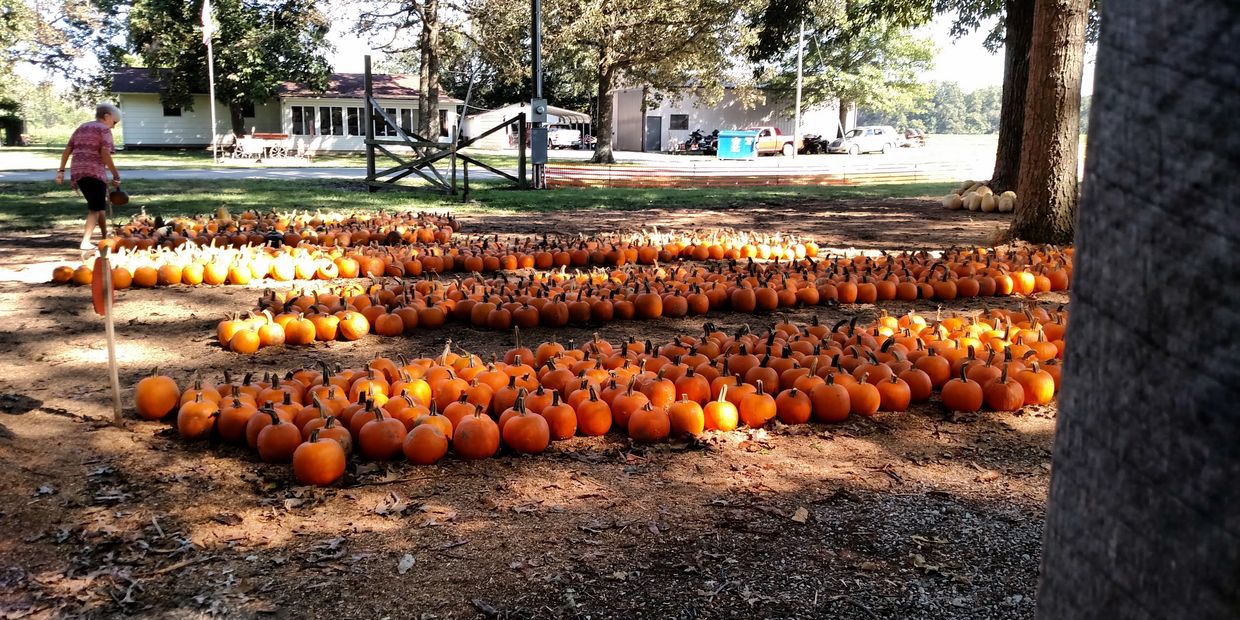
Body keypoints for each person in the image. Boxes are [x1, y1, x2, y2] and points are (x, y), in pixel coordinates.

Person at [55, 103, 121, 251]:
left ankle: (105, 237)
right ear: (106, 117)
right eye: (114, 122)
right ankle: (85, 242)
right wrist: (116, 174)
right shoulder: (104, 130)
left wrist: (61, 170)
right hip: (94, 172)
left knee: (97, 204)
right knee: (95, 208)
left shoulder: (82, 127)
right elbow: (105, 154)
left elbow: (68, 149)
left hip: (78, 171)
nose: (114, 126)